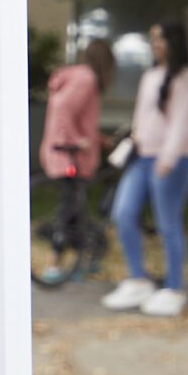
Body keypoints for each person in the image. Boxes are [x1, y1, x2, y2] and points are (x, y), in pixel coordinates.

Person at [102, 21, 188, 317]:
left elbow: (181, 123)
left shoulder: (186, 78)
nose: (154, 44)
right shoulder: (150, 76)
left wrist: (166, 161)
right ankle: (138, 278)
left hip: (176, 159)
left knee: (168, 223)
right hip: (143, 157)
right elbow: (141, 118)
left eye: (159, 39)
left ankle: (174, 288)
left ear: (173, 42)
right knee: (123, 214)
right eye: (152, 39)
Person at [39, 36, 115, 255]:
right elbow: (62, 108)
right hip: (69, 154)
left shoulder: (80, 77)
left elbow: (82, 120)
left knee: (74, 207)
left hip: (63, 150)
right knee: (70, 208)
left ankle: (75, 261)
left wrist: (100, 140)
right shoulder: (87, 79)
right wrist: (75, 140)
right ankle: (57, 253)